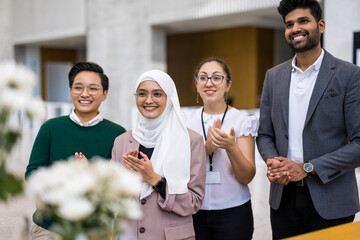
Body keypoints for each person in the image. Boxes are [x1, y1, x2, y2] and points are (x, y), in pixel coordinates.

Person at [256, 0, 360, 239]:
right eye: (289, 24)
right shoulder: (273, 77)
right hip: (283, 199)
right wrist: (274, 162)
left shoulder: (350, 75)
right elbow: (265, 134)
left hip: (332, 199)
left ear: (320, 25)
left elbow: (358, 143)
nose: (295, 28)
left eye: (303, 21)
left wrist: (307, 168)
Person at [25, 62, 126, 239]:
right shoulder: (50, 128)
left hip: (96, 228)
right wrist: (65, 178)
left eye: (93, 88)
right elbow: (32, 173)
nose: (85, 94)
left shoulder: (117, 134)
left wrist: (91, 174)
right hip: (50, 227)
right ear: (71, 91)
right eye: (78, 87)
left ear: (105, 94)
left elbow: (120, 184)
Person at [111, 69, 206, 240]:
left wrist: (155, 180)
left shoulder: (190, 141)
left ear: (169, 98)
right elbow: (113, 198)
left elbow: (194, 202)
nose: (148, 100)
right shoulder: (122, 141)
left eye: (157, 94)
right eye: (142, 94)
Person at [184, 57, 258, 240]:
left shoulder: (241, 120)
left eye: (217, 78)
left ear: (228, 84)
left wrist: (231, 147)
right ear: (196, 84)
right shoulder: (185, 121)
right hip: (193, 210)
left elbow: (246, 176)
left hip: (233, 212)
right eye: (203, 78)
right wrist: (206, 148)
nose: (209, 83)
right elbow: (178, 168)